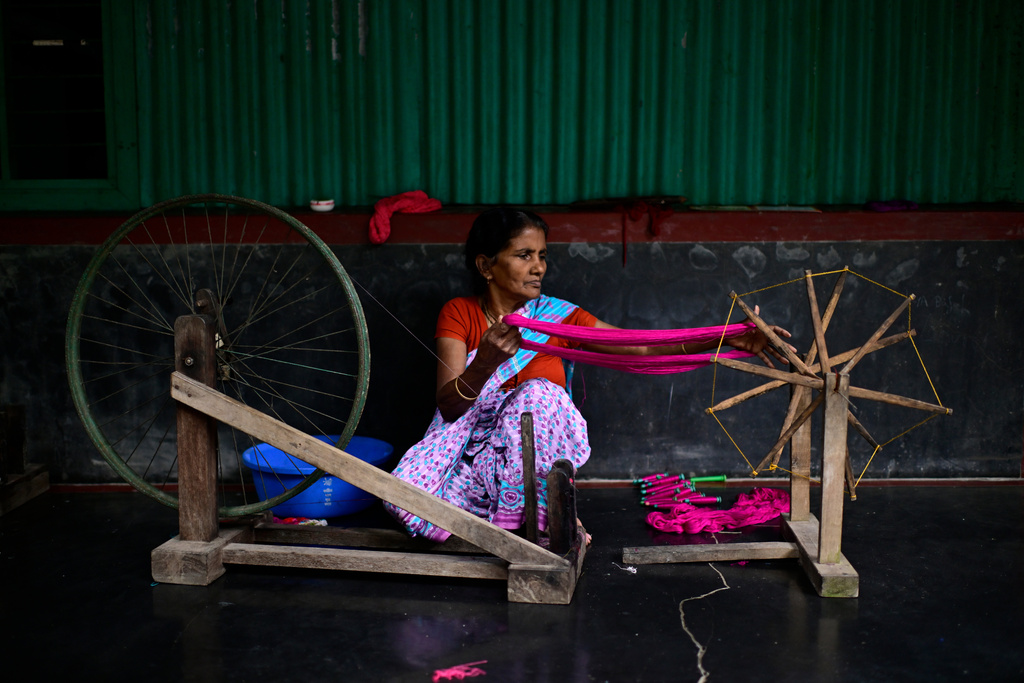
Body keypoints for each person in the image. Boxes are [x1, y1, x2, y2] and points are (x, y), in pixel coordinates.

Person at [385, 208, 792, 543]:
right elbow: (450, 406)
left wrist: (724, 338)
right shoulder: (459, 313)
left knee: (538, 395)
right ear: (486, 266)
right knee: (404, 498)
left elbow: (641, 346)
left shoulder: (561, 319)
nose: (538, 267)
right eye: (524, 255)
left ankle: (526, 516)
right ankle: (507, 517)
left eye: (542, 255)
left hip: (534, 472)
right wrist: (486, 362)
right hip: (475, 461)